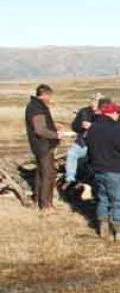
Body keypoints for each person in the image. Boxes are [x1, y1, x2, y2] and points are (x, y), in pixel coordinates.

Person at [85, 101, 120, 240]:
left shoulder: (93, 128)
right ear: (111, 113)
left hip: (98, 170)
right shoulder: (114, 128)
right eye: (117, 112)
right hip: (114, 170)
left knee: (103, 198)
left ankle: (103, 229)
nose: (118, 115)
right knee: (118, 200)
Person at [24, 84, 66, 213]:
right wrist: (56, 134)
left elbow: (42, 126)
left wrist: (54, 127)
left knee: (41, 172)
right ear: (45, 95)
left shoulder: (35, 106)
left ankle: (38, 199)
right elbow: (40, 129)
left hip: (40, 145)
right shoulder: (37, 108)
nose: (50, 99)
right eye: (50, 96)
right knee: (48, 174)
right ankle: (46, 205)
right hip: (43, 146)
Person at [62, 93, 101, 192]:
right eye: (92, 101)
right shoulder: (83, 111)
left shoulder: (103, 114)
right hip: (81, 142)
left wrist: (92, 127)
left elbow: (106, 129)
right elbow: (74, 126)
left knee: (92, 165)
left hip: (96, 145)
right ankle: (70, 178)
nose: (93, 103)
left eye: (96, 101)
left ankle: (86, 183)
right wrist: (80, 125)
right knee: (71, 154)